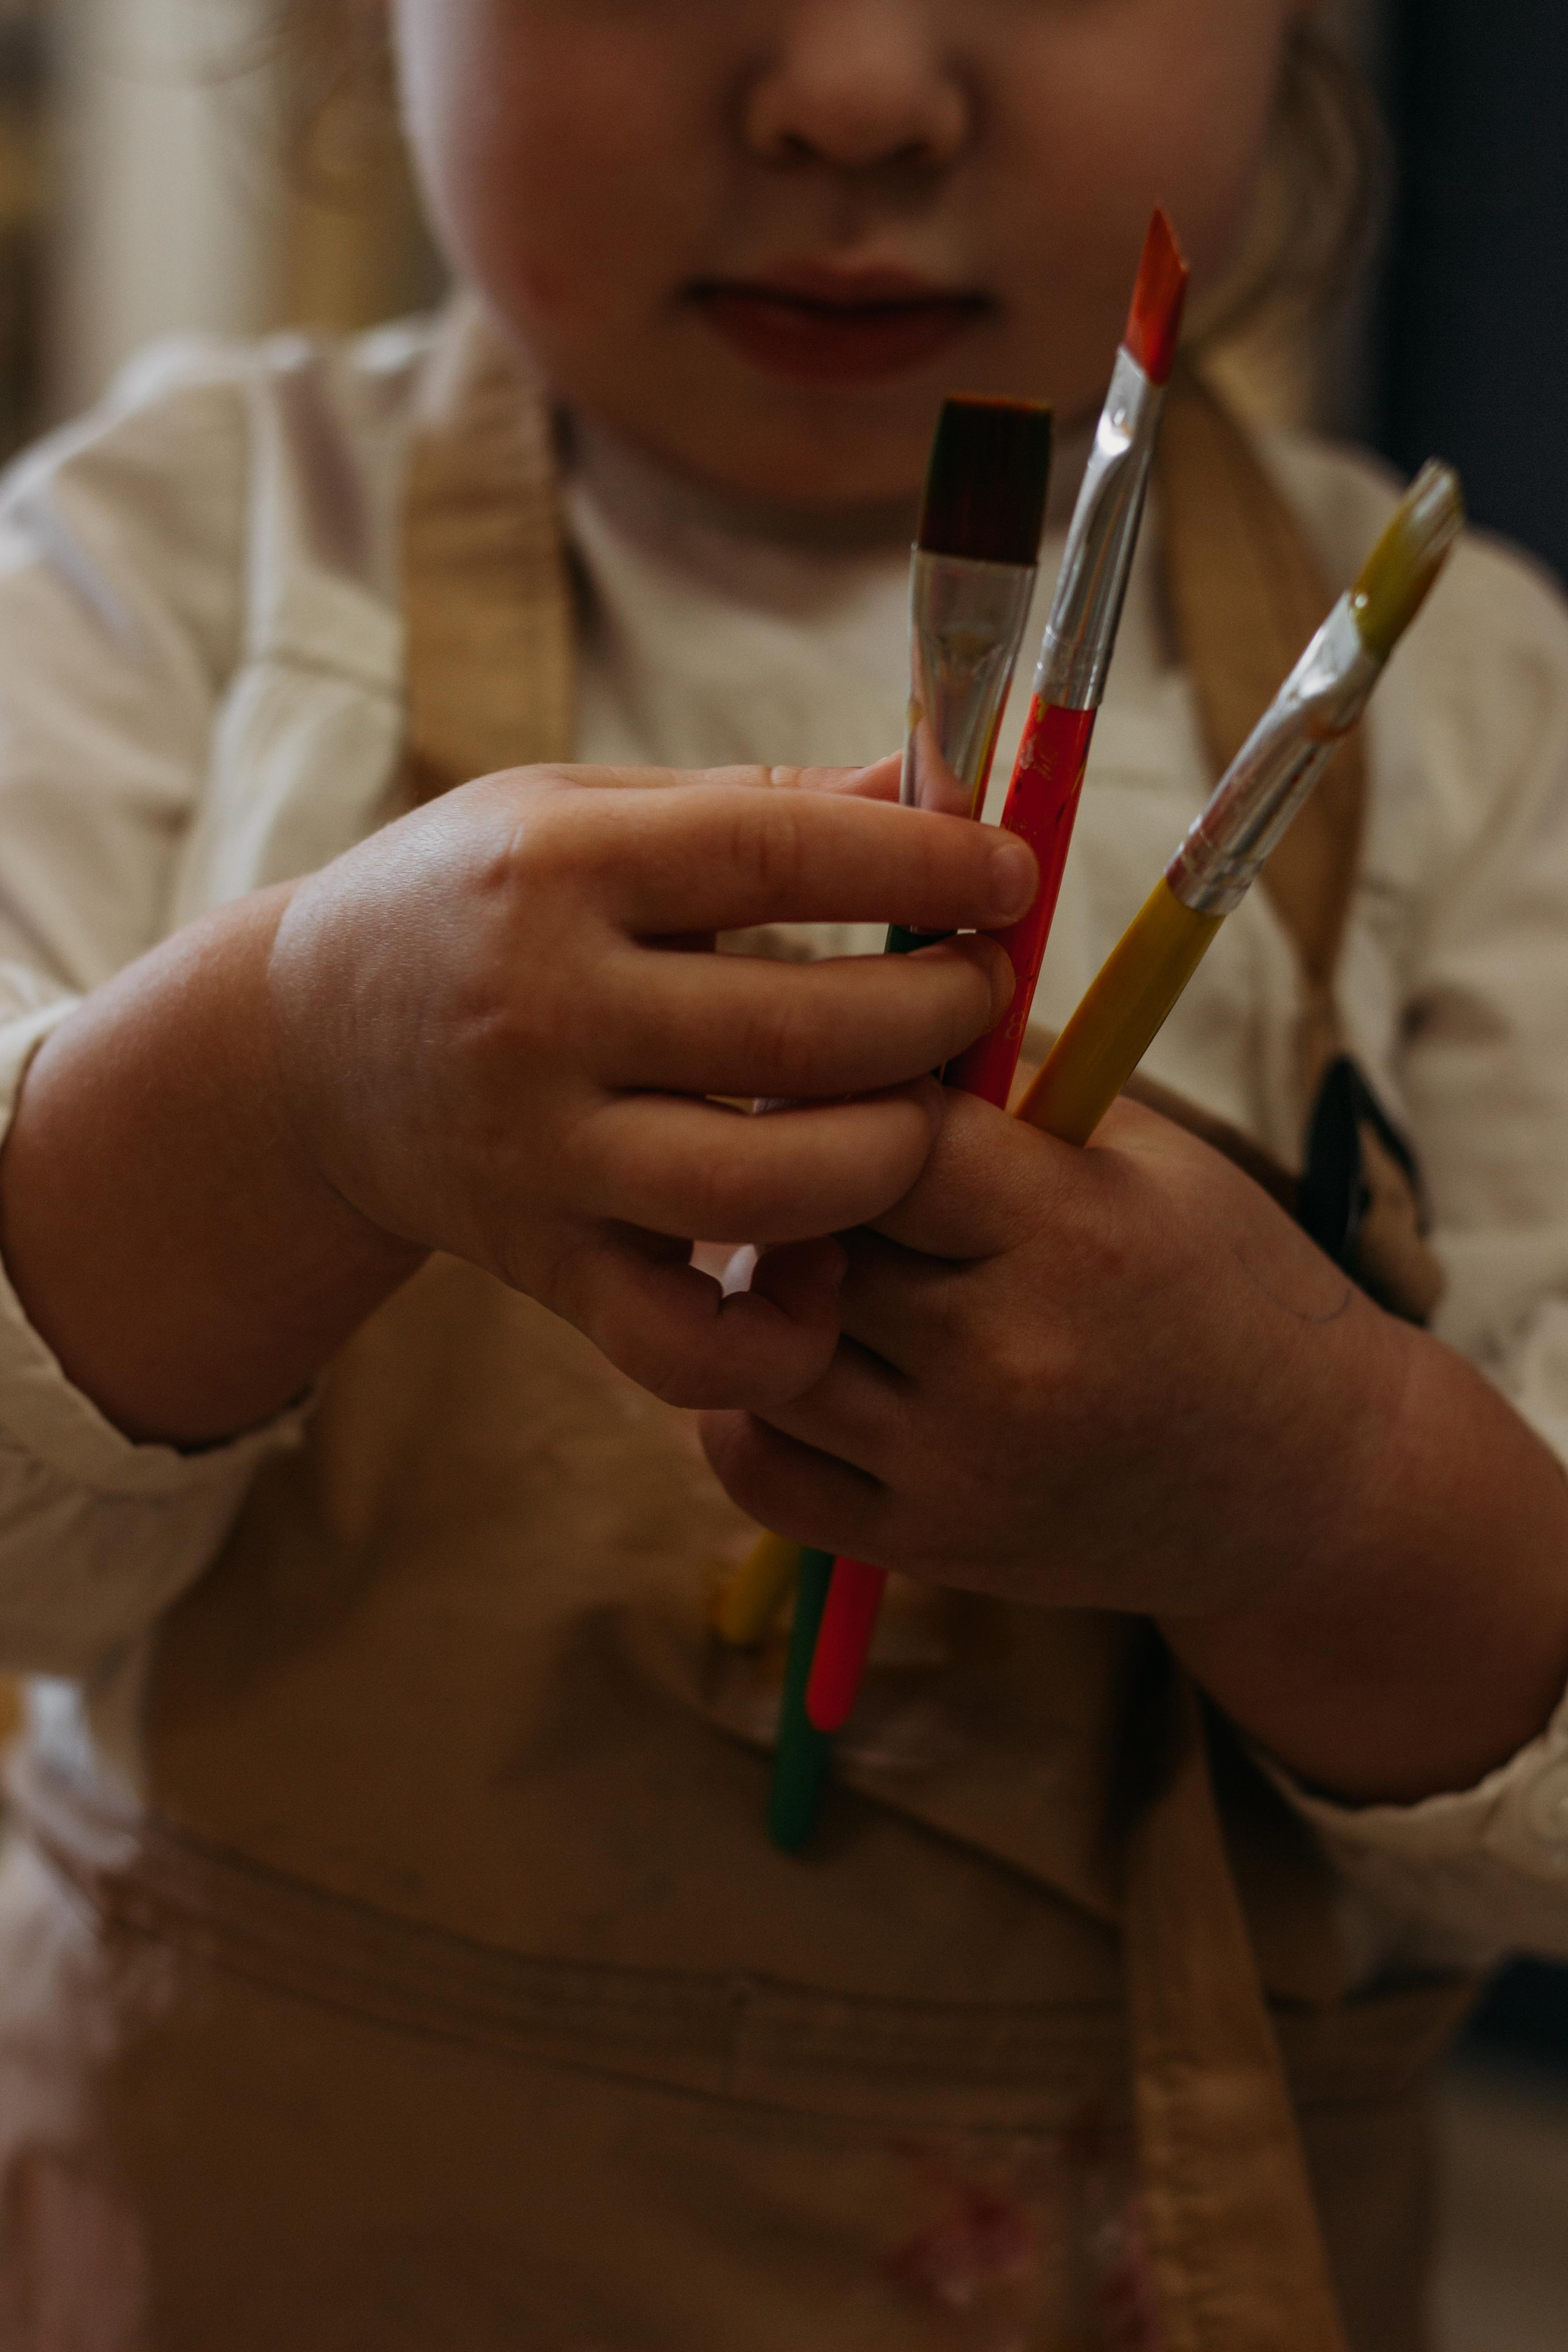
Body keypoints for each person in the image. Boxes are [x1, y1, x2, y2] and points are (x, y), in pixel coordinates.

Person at [0, 1, 1564, 2345]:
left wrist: (1317, 1483)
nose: (854, 96)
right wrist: (279, 1088)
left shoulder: (1470, 712)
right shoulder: (154, 571)